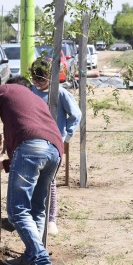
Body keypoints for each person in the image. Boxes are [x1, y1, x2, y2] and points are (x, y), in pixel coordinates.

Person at [0, 76, 63, 265]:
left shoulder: (5, 89)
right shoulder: (35, 100)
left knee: (17, 210)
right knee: (37, 208)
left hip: (31, 148)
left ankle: (41, 261)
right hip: (55, 149)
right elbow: (33, 146)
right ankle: (30, 256)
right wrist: (5, 163)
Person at [29, 57, 82, 236]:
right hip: (33, 144)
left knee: (49, 182)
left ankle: (51, 219)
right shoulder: (30, 92)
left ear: (50, 76)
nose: (37, 82)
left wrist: (65, 137)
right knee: (32, 181)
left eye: (41, 79)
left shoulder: (59, 93)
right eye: (34, 78)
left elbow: (75, 115)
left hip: (53, 145)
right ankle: (34, 216)